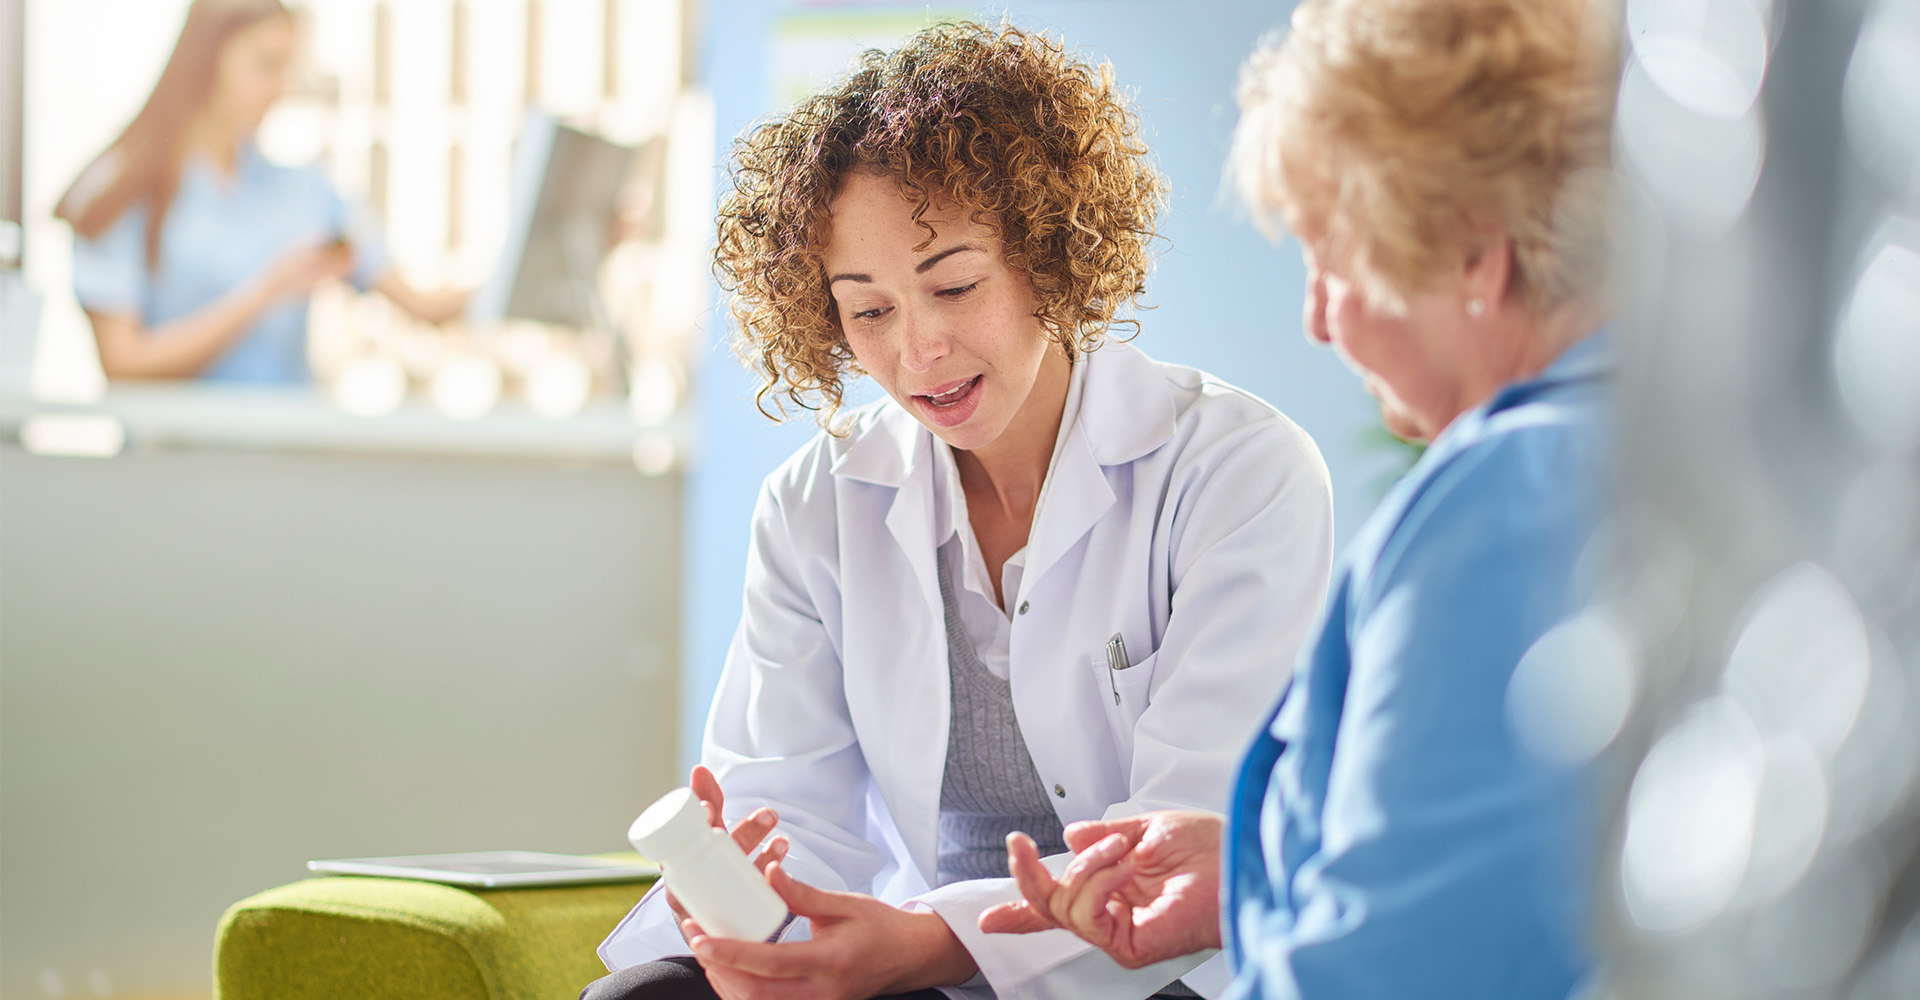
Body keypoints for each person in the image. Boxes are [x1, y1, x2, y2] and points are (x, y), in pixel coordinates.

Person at [585, 22, 1335, 1000]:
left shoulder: (1238, 470)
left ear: (1050, 253)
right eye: (870, 310)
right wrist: (752, 897)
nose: (919, 350)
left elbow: (1190, 851)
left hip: (1166, 978)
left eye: (954, 285)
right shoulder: (817, 503)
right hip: (921, 969)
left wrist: (937, 943)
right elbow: (789, 805)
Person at [980, 1, 1619, 998]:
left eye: (1332, 257)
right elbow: (1521, 872)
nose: (1317, 319)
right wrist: (1251, 869)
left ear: (1473, 254)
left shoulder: (1510, 498)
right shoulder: (1643, 452)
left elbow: (1384, 968)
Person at [54, 0, 461, 382]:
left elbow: (425, 306)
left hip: (287, 446)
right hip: (176, 453)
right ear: (206, 62)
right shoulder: (122, 187)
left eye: (288, 69)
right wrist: (265, 293)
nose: (282, 89)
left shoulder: (303, 190)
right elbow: (122, 364)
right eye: (267, 65)